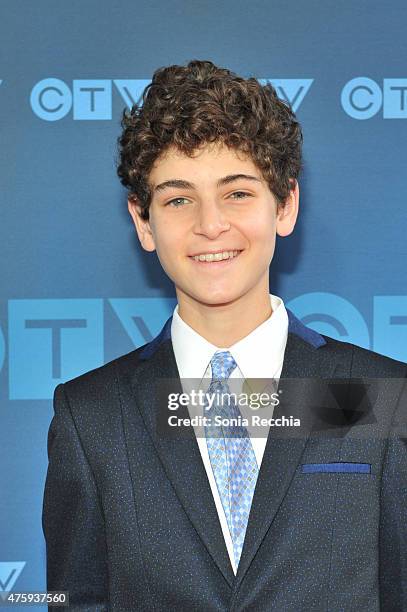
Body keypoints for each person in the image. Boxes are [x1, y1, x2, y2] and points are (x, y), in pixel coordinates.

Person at [42, 60, 407, 611]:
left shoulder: (384, 394)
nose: (210, 225)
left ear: (284, 205)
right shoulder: (91, 414)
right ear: (144, 223)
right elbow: (73, 600)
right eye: (179, 199)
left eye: (237, 193)